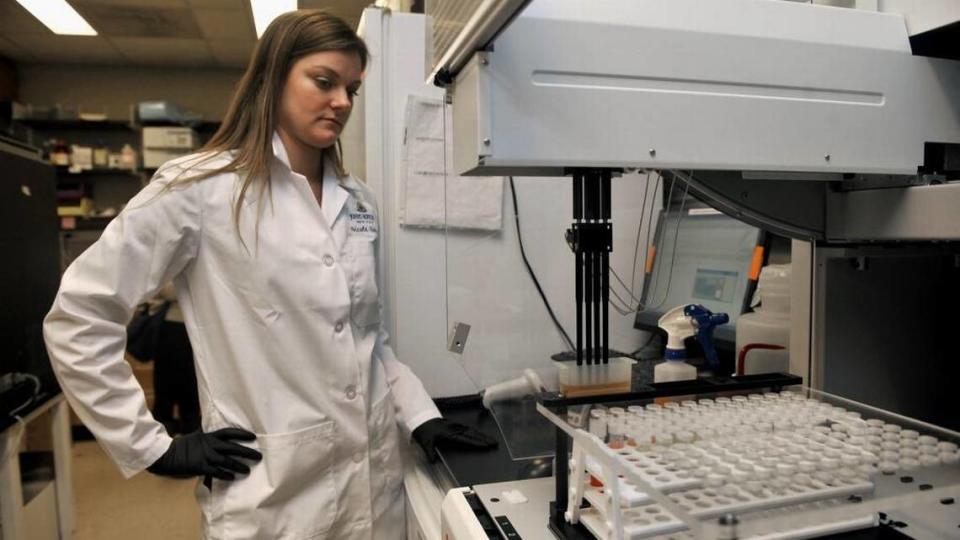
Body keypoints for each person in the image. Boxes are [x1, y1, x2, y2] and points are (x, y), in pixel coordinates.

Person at [43, 10, 495, 539]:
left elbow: (368, 341)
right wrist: (153, 445)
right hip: (270, 498)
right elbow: (79, 314)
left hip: (373, 489)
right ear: (274, 77)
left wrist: (421, 416)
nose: (343, 102)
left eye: (351, 87)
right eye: (324, 82)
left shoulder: (358, 202)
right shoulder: (201, 188)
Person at [152, 283, 201, 434]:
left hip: (197, 330)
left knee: (192, 388)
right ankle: (163, 438)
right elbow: (166, 291)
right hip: (171, 329)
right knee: (165, 387)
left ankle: (192, 433)